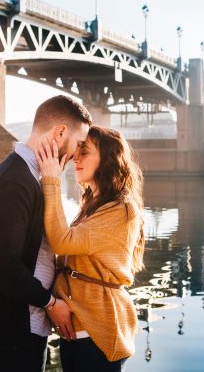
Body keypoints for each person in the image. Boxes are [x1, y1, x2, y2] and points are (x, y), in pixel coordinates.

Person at [0, 95, 92, 372]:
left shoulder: (27, 176)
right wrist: (50, 303)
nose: (76, 154)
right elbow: (0, 265)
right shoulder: (16, 181)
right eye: (78, 144)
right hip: (12, 331)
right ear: (60, 132)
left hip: (19, 328)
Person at [37, 126, 146, 371]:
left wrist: (51, 180)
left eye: (84, 152)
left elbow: (61, 241)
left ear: (107, 160)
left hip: (96, 329)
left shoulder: (120, 209)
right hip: (79, 327)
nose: (76, 157)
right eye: (77, 151)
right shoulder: (94, 203)